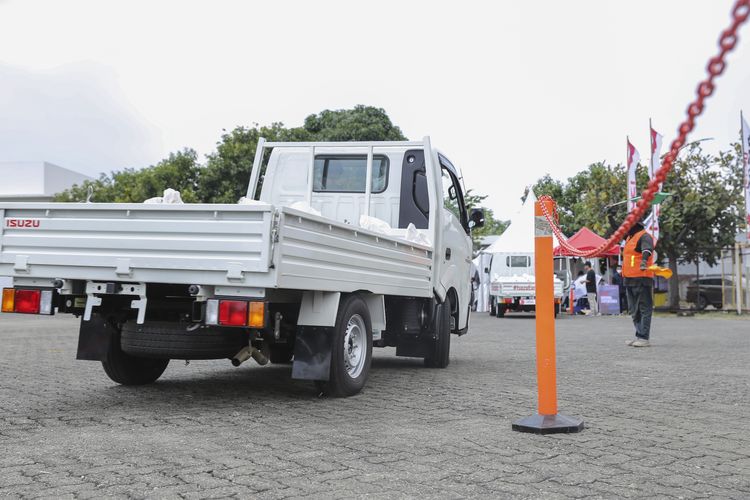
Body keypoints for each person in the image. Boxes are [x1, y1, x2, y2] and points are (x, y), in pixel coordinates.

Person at [623, 221, 655, 347]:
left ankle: (644, 338)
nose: (625, 229)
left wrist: (644, 261)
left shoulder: (644, 236)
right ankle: (638, 335)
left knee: (644, 308)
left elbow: (647, 249)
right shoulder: (629, 238)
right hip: (629, 279)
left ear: (634, 226)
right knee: (633, 310)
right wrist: (610, 216)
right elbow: (616, 231)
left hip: (642, 278)